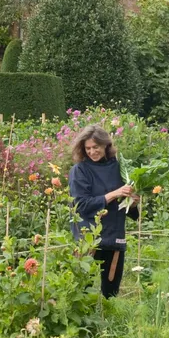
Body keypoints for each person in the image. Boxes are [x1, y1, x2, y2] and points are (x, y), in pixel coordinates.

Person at [68, 125, 139, 298]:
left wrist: (134, 202)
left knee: (111, 294)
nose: (92, 152)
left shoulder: (119, 168)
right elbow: (81, 205)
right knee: (83, 292)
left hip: (114, 237)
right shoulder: (80, 171)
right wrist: (114, 194)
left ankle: (108, 325)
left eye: (96, 147)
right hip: (89, 239)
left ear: (106, 145)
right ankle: (89, 325)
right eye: (88, 148)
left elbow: (130, 211)